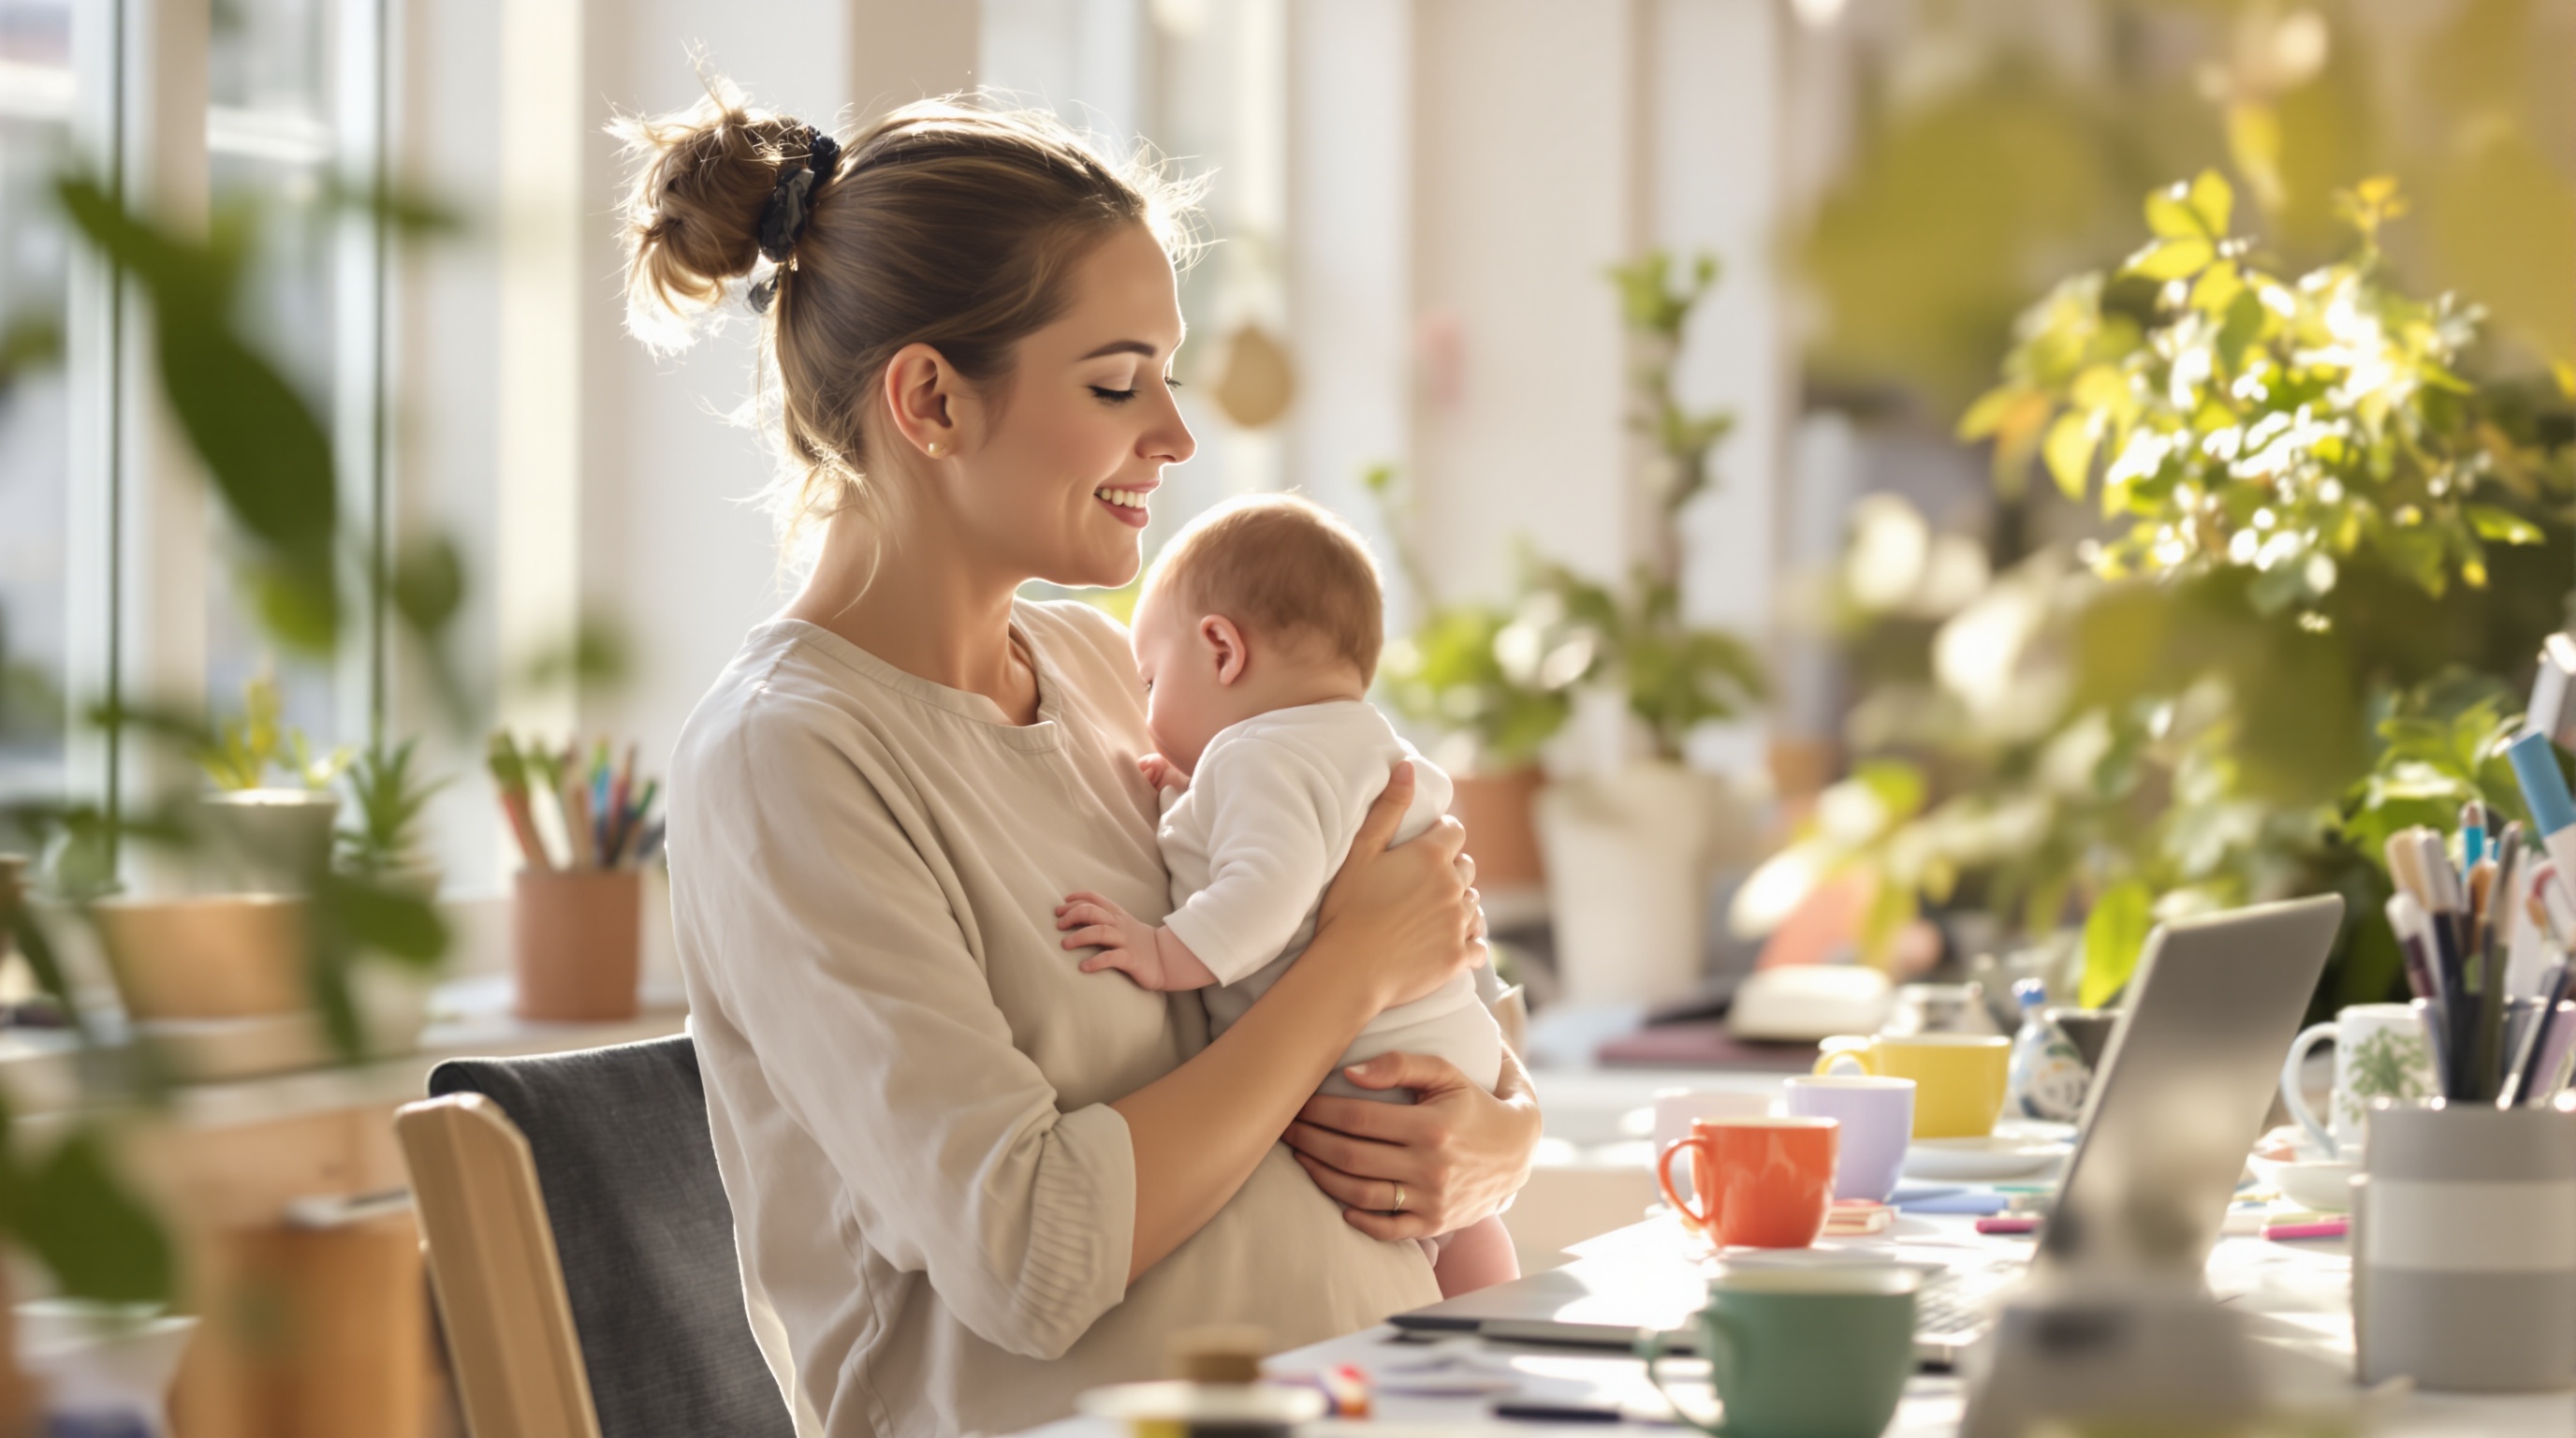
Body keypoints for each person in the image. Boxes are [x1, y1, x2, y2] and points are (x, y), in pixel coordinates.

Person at [622, 85, 1543, 1438]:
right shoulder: (790, 762)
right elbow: (1032, 1257)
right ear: (931, 399)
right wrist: (1349, 969)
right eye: (1118, 382)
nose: (1174, 437)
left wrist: (1495, 1141)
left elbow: (1436, 971)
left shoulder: (1121, 675)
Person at [1053, 495, 1518, 1298]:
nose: (1149, 712)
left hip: (1362, 1067)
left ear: (1222, 649)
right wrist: (1193, 792)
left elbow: (1267, 894)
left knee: (1404, 1218)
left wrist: (1163, 951)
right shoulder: (1368, 742)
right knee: (1467, 1241)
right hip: (1451, 1055)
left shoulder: (1255, 759)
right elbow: (1306, 847)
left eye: (1154, 680)